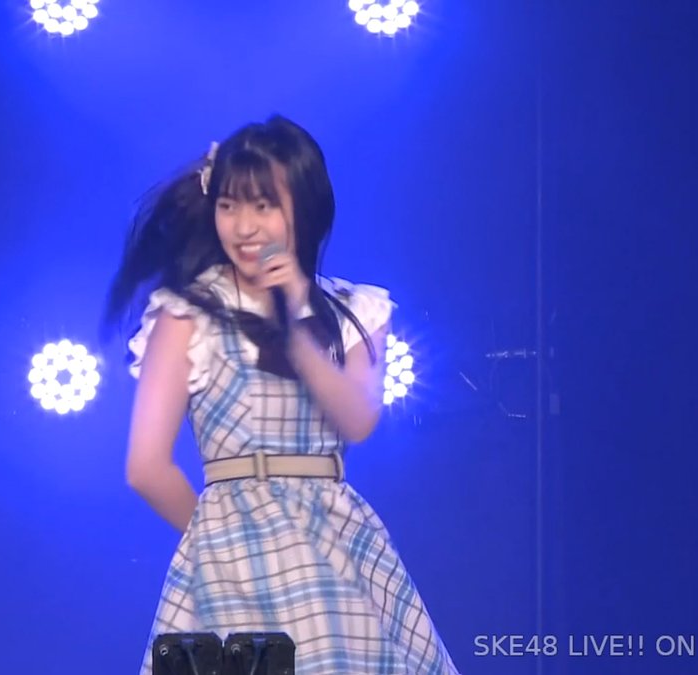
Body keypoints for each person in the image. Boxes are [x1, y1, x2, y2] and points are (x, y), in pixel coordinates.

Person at [103, 115, 460, 675]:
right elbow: (146, 468)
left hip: (337, 545)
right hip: (230, 560)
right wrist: (215, 536)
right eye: (228, 205)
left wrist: (294, 321)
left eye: (263, 205)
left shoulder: (355, 310)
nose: (243, 226)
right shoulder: (186, 315)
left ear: (305, 206)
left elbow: (358, 420)